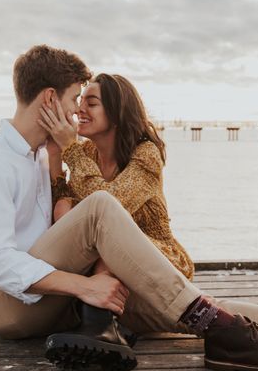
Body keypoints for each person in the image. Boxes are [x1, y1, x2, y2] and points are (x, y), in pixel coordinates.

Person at [0, 44, 258, 371]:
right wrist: (84, 287)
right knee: (100, 207)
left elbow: (63, 228)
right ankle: (216, 326)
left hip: (57, 299)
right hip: (4, 307)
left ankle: (245, 332)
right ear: (48, 99)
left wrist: (90, 283)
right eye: (75, 98)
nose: (76, 111)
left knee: (183, 309)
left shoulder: (42, 157)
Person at [49, 73, 194, 281]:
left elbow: (109, 207)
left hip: (162, 258)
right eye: (80, 102)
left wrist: (69, 148)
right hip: (108, 251)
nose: (80, 109)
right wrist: (55, 153)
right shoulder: (88, 152)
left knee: (105, 260)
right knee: (65, 208)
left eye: (91, 103)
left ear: (117, 112)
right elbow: (68, 208)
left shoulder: (146, 154)